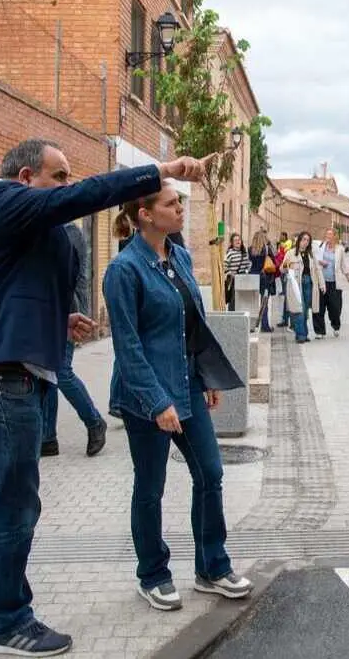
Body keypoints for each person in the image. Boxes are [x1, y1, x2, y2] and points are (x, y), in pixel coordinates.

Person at [0, 138, 209, 657]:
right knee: (16, 503)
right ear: (24, 178)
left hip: (7, 376)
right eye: (57, 176)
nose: (65, 186)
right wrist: (161, 172)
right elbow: (75, 202)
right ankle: (7, 623)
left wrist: (60, 318)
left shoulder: (14, 226)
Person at [105, 185, 253, 610]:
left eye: (179, 202)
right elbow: (128, 346)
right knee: (150, 487)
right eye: (172, 204)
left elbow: (194, 326)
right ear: (146, 214)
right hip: (146, 395)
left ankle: (212, 567)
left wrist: (205, 376)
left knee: (210, 473)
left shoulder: (180, 257)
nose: (180, 209)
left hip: (186, 383)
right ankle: (152, 574)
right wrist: (157, 403)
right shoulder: (124, 270)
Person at [41, 220, 106, 458]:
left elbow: (68, 277)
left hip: (67, 310)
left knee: (61, 372)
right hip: (44, 313)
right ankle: (47, 438)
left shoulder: (68, 231)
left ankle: (95, 421)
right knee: (45, 373)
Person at [280, 231, 324, 344]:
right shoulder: (290, 253)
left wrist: (322, 284)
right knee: (299, 308)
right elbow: (282, 268)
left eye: (308, 240)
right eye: (304, 239)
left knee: (305, 310)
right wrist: (286, 266)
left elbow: (318, 270)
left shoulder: (311, 254)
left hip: (309, 283)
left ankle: (302, 333)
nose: (305, 242)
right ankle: (301, 335)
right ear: (299, 240)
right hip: (296, 284)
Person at [313, 228, 349, 338]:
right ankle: (320, 331)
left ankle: (336, 326)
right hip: (321, 281)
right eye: (327, 234)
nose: (328, 236)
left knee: (335, 307)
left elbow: (343, 265)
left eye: (330, 234)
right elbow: (314, 259)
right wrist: (320, 262)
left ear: (335, 236)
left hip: (334, 283)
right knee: (319, 307)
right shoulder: (320, 247)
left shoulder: (340, 249)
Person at [248, 230, 277, 333]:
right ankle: (265, 326)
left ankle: (251, 325)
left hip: (252, 277)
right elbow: (274, 262)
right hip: (264, 278)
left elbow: (249, 263)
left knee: (252, 302)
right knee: (264, 303)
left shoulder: (250, 249)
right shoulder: (267, 249)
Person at [223, 233, 250, 312]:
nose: (238, 241)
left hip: (242, 279)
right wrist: (230, 273)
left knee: (241, 300)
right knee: (233, 300)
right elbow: (224, 265)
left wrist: (245, 272)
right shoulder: (230, 253)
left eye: (239, 240)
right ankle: (232, 317)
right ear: (232, 243)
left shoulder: (244, 253)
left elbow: (248, 265)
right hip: (233, 280)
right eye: (235, 240)